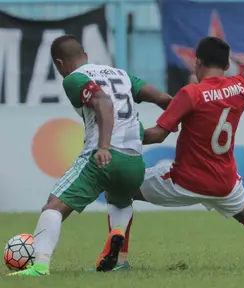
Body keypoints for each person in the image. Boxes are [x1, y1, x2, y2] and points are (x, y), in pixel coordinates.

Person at [104, 14, 244, 270]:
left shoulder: (191, 93)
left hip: (185, 180)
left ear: (197, 62)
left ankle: (119, 261)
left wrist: (121, 133)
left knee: (119, 190)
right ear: (226, 65)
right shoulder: (241, 86)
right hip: (224, 183)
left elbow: (158, 134)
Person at [9, 35, 172, 276]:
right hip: (134, 161)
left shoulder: (75, 79)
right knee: (119, 199)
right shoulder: (122, 75)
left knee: (53, 207)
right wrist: (171, 126)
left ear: (60, 64)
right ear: (85, 55)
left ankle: (40, 266)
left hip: (103, 157)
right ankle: (118, 241)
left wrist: (104, 146)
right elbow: (164, 99)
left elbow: (103, 103)